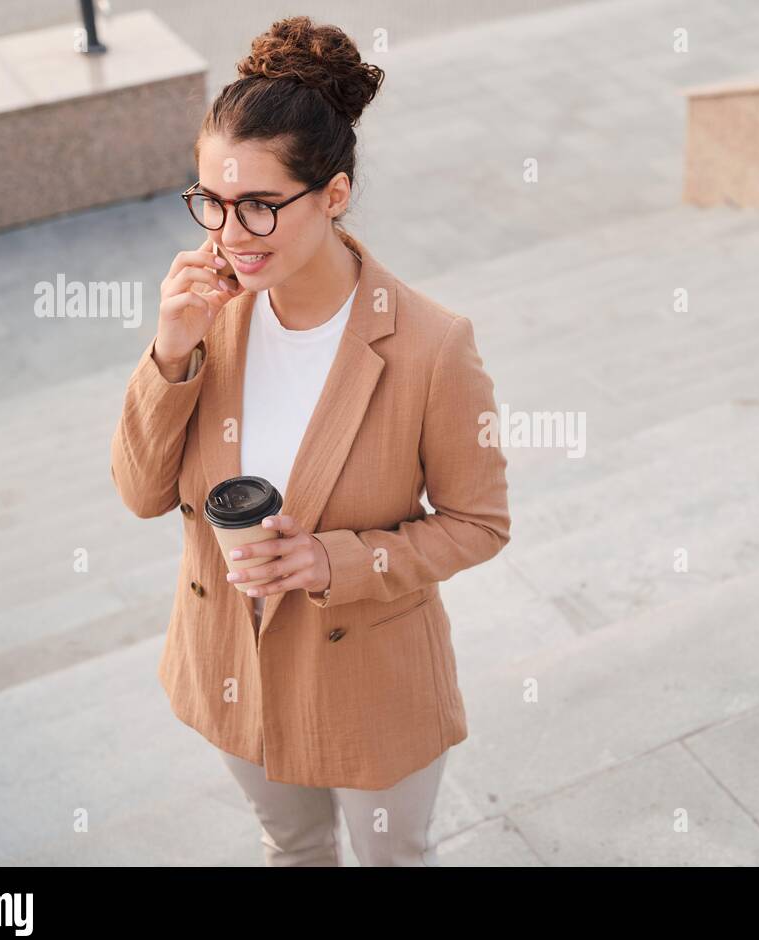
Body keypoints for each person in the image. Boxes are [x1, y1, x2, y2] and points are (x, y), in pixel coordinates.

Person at [109, 16, 511, 866]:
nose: (228, 234)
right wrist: (169, 353)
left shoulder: (431, 346)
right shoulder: (207, 317)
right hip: (231, 663)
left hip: (369, 678)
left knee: (391, 857)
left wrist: (337, 561)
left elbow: (480, 522)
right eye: (211, 203)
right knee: (291, 847)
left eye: (260, 205)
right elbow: (141, 494)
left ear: (332, 195)